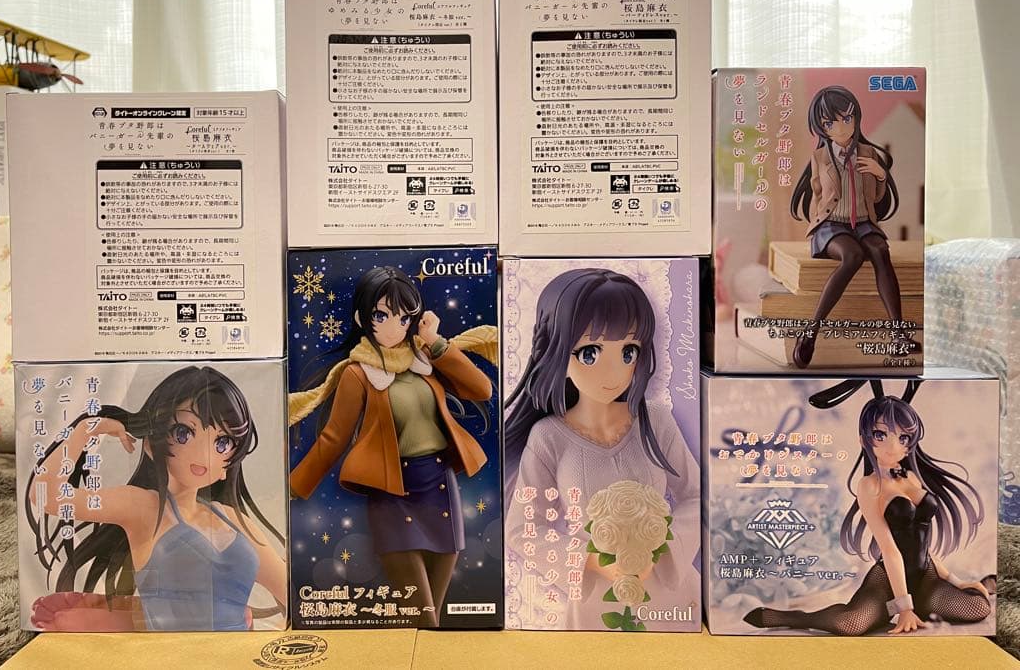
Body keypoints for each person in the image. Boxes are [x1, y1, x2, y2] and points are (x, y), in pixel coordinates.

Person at [288, 265, 495, 628]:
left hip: (440, 485)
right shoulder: (358, 373)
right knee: (421, 614)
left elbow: (482, 389)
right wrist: (291, 488)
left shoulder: (423, 359)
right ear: (362, 318)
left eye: (404, 317)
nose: (393, 327)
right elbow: (334, 437)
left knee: (433, 617)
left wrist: (436, 342)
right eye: (381, 315)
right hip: (392, 491)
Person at [503, 267, 699, 630]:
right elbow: (522, 528)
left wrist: (664, 552)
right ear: (555, 354)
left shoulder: (655, 420)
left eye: (628, 351)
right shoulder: (549, 437)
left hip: (673, 597)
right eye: (590, 353)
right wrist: (593, 560)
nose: (613, 373)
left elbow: (697, 496)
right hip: (597, 600)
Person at [26, 365, 287, 631]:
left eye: (222, 443)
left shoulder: (231, 518)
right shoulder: (144, 506)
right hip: (168, 649)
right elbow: (45, 494)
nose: (203, 453)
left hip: (238, 648)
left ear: (228, 465)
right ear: (151, 445)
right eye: (184, 433)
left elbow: (292, 590)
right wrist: (86, 429)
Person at [743, 379, 992, 635]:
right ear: (864, 440)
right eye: (880, 435)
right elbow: (890, 550)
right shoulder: (869, 486)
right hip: (886, 581)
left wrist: (956, 580)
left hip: (925, 577)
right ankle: (796, 618)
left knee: (978, 607)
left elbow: (922, 543)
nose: (893, 446)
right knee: (851, 624)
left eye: (903, 437)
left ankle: (929, 603)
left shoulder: (911, 477)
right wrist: (903, 607)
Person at [788, 85, 918, 368]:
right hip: (832, 226)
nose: (841, 127)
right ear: (822, 128)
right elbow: (816, 194)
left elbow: (876, 198)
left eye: (847, 118)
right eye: (830, 123)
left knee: (880, 250)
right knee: (853, 255)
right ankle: (811, 331)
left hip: (863, 224)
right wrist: (818, 224)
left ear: (856, 117)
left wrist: (881, 175)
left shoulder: (868, 153)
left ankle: (898, 334)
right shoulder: (820, 158)